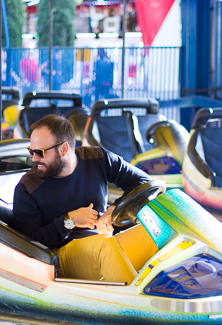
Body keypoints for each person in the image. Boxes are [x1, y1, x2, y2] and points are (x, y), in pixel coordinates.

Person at [12, 114, 157, 283]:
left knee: (159, 229)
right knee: (105, 245)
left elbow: (143, 181)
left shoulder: (97, 158)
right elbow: (29, 243)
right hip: (61, 259)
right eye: (31, 151)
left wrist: (113, 210)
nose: (34, 159)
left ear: (63, 149)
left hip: (103, 245)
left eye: (39, 152)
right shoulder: (28, 187)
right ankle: (138, 306)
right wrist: (70, 221)